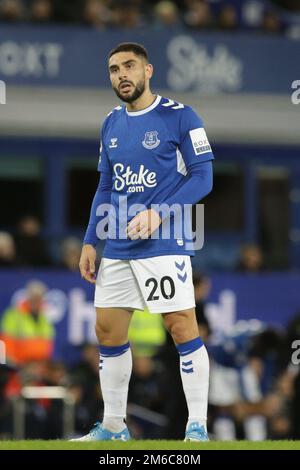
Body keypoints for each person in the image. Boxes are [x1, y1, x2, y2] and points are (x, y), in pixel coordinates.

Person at [76, 42, 214, 442]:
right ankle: (115, 427)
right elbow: (105, 185)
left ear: (148, 70)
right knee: (107, 331)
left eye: (129, 66)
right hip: (117, 244)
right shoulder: (110, 123)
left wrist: (160, 212)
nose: (122, 74)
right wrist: (90, 241)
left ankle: (197, 426)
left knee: (180, 326)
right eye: (114, 69)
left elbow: (203, 177)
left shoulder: (181, 117)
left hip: (165, 243)